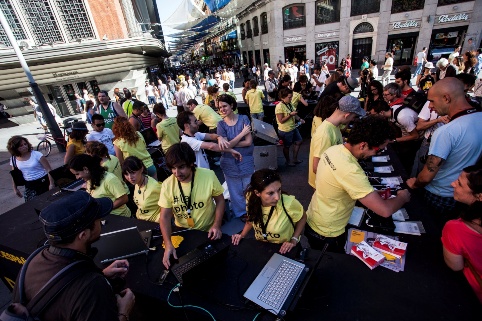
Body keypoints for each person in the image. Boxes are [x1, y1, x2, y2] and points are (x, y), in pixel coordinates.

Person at [11, 191, 135, 321]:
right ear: (83, 235)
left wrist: (102, 275)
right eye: (98, 218)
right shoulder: (92, 289)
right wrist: (124, 312)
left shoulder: (34, 260)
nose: (101, 221)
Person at [306, 115, 411, 252]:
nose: (376, 154)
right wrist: (403, 197)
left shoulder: (334, 149)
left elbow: (339, 185)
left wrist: (369, 194)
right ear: (363, 145)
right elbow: (385, 211)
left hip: (315, 218)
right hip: (328, 233)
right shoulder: (351, 170)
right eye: (378, 150)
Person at [407, 78, 482, 224]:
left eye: (432, 101)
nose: (429, 107)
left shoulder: (446, 132)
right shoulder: (479, 117)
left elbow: (426, 176)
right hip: (465, 195)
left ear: (446, 98)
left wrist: (414, 184)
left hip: (439, 195)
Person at [159, 143, 225, 269]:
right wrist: (168, 244)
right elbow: (165, 217)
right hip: (183, 233)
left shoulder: (208, 175)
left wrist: (217, 225)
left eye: (181, 167)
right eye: (173, 168)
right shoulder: (167, 185)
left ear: (191, 163)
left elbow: (220, 201)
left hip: (208, 232)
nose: (176, 173)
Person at [231, 169, 307, 254]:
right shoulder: (251, 198)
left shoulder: (289, 203)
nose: (277, 197)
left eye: (279, 190)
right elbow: (251, 218)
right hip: (262, 247)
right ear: (257, 193)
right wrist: (242, 235)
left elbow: (303, 217)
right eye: (271, 193)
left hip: (284, 249)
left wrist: (294, 240)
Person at [441, 165, 482, 303]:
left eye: (459, 183)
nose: (452, 184)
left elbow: (455, 266)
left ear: (479, 196)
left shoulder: (456, 229)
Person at [308, 96, 365, 188]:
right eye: (354, 116)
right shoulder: (325, 133)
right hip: (324, 184)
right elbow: (316, 167)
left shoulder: (335, 126)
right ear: (347, 115)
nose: (353, 120)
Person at [217, 94, 253, 219]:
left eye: (224, 106)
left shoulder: (243, 118)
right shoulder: (221, 124)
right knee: (234, 190)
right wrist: (242, 134)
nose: (222, 109)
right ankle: (241, 214)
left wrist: (230, 143)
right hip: (229, 162)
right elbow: (226, 147)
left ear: (232, 105)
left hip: (246, 159)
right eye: (220, 107)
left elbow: (248, 142)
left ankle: (251, 211)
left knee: (248, 188)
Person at [7, 136, 54, 202]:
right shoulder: (13, 159)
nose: (24, 146)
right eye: (21, 145)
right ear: (15, 148)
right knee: (33, 204)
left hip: (43, 181)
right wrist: (15, 188)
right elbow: (14, 175)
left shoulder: (37, 155)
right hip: (29, 184)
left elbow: (49, 170)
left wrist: (51, 184)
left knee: (48, 201)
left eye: (25, 144)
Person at [122, 156, 162, 222]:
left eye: (133, 172)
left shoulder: (155, 187)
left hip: (155, 225)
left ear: (141, 169)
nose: (130, 177)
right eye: (126, 174)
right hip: (141, 222)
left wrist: (160, 220)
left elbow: (170, 205)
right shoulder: (137, 183)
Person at [276, 88, 304, 167]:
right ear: (283, 97)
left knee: (299, 141)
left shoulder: (289, 104)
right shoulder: (279, 107)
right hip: (285, 130)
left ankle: (294, 159)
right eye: (289, 97)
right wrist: (290, 115)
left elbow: (294, 114)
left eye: (291, 97)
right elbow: (281, 120)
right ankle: (288, 161)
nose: (291, 99)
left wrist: (299, 119)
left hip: (292, 127)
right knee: (287, 146)